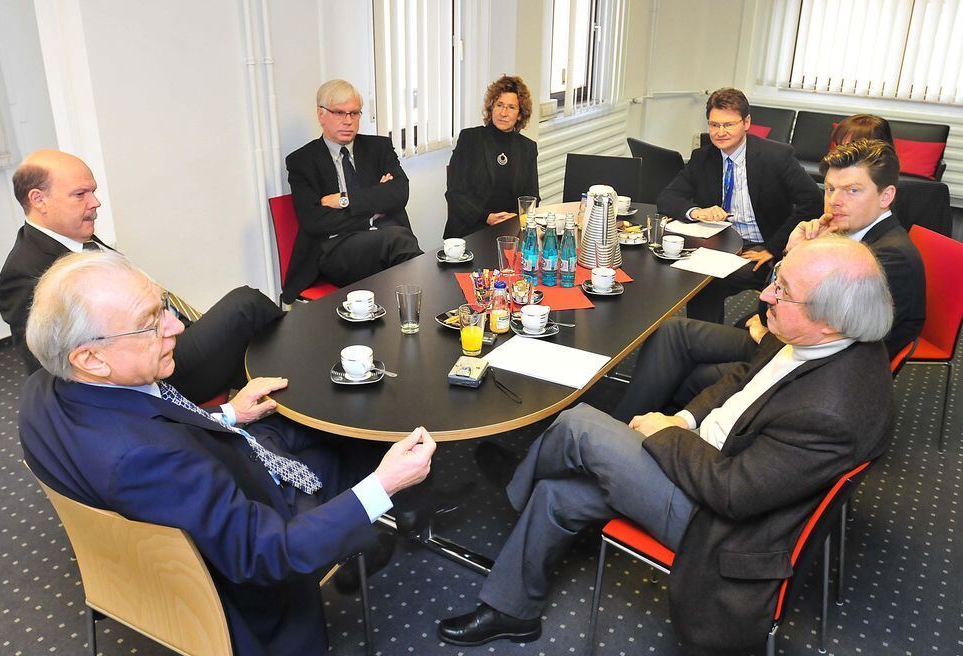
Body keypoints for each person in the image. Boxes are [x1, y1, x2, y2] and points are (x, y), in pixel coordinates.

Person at [439, 236, 895, 652]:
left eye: (784, 291)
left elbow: (732, 492)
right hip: (708, 460)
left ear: (831, 320)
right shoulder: (818, 338)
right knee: (559, 493)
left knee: (578, 424)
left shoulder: (832, 409)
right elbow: (742, 380)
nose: (765, 295)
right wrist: (682, 416)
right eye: (777, 279)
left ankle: (513, 488)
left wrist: (667, 433)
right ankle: (512, 610)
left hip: (718, 526)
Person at [19, 250, 437, 655]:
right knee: (360, 437)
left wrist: (228, 414)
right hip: (265, 537)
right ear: (90, 357)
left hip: (210, 482)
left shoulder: (44, 390)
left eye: (162, 307)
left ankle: (403, 505)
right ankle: (404, 507)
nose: (176, 326)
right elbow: (268, 554)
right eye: (149, 323)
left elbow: (157, 434)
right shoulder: (145, 459)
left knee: (310, 412)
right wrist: (384, 484)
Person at [612, 138, 924, 422]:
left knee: (699, 376)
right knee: (672, 330)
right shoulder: (847, 234)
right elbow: (775, 306)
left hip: (806, 365)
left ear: (886, 196)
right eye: (829, 189)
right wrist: (794, 253)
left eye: (852, 190)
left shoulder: (882, 260)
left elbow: (839, 347)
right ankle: (626, 422)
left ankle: (647, 432)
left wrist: (764, 332)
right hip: (787, 338)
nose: (835, 201)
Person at [0, 150, 284, 403]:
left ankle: (283, 389)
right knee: (246, 304)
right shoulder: (23, 273)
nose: (95, 203)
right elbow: (48, 370)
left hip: (166, 339)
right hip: (153, 374)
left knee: (250, 346)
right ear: (39, 200)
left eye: (93, 192)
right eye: (80, 194)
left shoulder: (76, 239)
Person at [658, 87, 822, 324]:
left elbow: (813, 202)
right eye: (714, 125)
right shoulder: (703, 158)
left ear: (746, 122)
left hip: (763, 247)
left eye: (728, 124)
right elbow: (667, 198)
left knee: (709, 283)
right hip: (721, 243)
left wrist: (773, 249)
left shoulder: (776, 156)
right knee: (697, 281)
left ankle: (707, 341)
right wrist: (697, 211)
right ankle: (700, 342)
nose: (720, 132)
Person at [283, 79, 423, 302]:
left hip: (381, 243)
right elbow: (314, 220)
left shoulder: (379, 147)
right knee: (400, 242)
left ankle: (412, 315)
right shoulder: (302, 161)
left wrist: (343, 200)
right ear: (321, 114)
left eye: (354, 113)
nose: (348, 121)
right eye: (339, 113)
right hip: (335, 251)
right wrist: (372, 210)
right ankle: (436, 303)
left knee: (399, 258)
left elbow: (399, 194)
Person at [443, 75, 539, 239]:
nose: (503, 113)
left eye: (511, 107)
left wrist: (514, 217)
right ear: (491, 108)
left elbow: (532, 197)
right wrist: (486, 216)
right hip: (472, 227)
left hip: (511, 228)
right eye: (499, 105)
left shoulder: (528, 148)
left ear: (520, 114)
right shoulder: (470, 139)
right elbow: (455, 193)